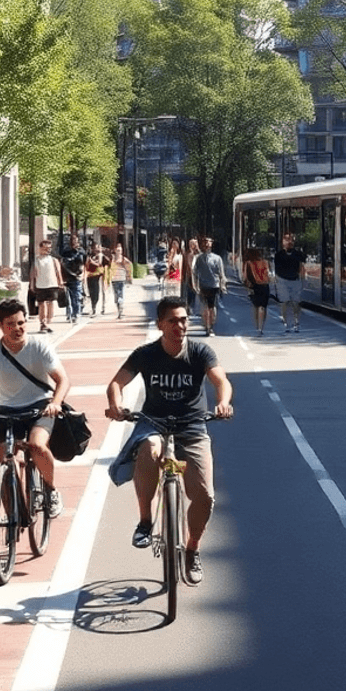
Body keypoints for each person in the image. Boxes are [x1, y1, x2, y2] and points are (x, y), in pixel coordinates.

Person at [105, 296, 233, 585]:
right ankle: (145, 521)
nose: (180, 326)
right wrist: (116, 405)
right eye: (173, 321)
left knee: (205, 495)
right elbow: (116, 383)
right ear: (160, 325)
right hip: (154, 423)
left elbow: (220, 381)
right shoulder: (146, 354)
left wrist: (223, 402)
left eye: (184, 320)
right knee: (148, 448)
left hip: (192, 426)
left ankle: (192, 549)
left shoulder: (200, 352)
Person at [0, 297, 68, 518]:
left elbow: (63, 380)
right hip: (8, 410)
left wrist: (55, 403)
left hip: (40, 407)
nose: (17, 328)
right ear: (1, 326)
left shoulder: (38, 346)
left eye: (21, 323)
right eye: (10, 324)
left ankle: (50, 490)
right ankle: (9, 512)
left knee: (37, 445)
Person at [192, 235, 228, 336]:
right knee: (205, 307)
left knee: (212, 308)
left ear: (212, 244)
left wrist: (223, 285)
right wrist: (195, 285)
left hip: (214, 285)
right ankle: (207, 326)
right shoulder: (199, 258)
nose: (207, 244)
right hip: (203, 286)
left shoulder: (217, 258)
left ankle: (211, 326)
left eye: (209, 242)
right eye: (205, 242)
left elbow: (221, 273)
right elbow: (195, 272)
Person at [273, 230, 307, 333]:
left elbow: (302, 267)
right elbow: (277, 270)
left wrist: (303, 280)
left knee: (296, 303)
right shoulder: (278, 255)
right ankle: (286, 322)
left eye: (291, 239)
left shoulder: (298, 254)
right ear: (283, 242)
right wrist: (277, 282)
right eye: (287, 239)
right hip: (282, 281)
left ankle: (296, 322)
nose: (289, 241)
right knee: (285, 302)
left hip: (295, 280)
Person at [29, 239, 63, 334]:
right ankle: (43, 323)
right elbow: (33, 273)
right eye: (45, 248)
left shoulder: (53, 260)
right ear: (40, 248)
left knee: (50, 303)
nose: (48, 250)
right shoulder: (36, 260)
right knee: (41, 304)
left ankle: (48, 321)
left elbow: (58, 271)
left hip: (52, 284)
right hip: (40, 285)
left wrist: (60, 282)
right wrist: (32, 284)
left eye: (49, 248)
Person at [242, 245, 271, 334]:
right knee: (263, 307)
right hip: (265, 286)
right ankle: (261, 326)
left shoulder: (248, 263)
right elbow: (268, 274)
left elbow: (245, 277)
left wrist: (248, 286)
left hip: (255, 286)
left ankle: (258, 326)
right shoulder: (265, 262)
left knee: (257, 306)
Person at [60, 234, 86, 322]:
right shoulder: (66, 252)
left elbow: (84, 264)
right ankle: (69, 314)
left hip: (77, 277)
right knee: (68, 297)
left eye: (76, 241)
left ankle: (76, 314)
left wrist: (83, 275)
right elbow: (62, 263)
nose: (74, 243)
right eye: (72, 241)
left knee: (76, 296)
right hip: (67, 277)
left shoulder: (81, 252)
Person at [109, 242, 132, 320]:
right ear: (115, 250)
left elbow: (129, 265)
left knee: (120, 295)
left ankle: (121, 312)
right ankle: (119, 311)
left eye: (120, 250)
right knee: (116, 296)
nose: (119, 252)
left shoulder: (123, 259)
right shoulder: (112, 259)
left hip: (121, 279)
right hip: (114, 279)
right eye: (118, 250)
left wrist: (129, 276)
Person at [84, 241, 106, 316]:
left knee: (96, 293)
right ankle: (93, 308)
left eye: (96, 247)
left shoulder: (99, 255)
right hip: (90, 276)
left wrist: (92, 262)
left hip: (97, 276)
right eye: (93, 248)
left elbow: (99, 264)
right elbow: (86, 265)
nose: (95, 249)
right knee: (91, 293)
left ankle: (97, 308)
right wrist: (88, 262)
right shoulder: (90, 255)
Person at [183, 236, 201, 315]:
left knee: (198, 293)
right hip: (189, 277)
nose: (193, 245)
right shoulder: (187, 254)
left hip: (198, 277)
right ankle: (190, 308)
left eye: (194, 244)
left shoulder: (199, 255)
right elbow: (185, 265)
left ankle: (197, 310)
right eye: (191, 244)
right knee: (189, 293)